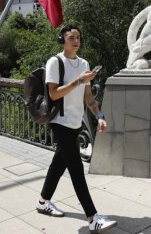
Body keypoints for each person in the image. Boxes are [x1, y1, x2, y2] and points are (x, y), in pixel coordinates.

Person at [36, 24, 117, 233]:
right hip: (60, 123)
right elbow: (53, 94)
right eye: (72, 37)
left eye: (78, 37)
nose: (76, 41)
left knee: (58, 164)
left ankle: (43, 202)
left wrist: (99, 116)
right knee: (76, 168)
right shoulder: (55, 62)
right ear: (62, 40)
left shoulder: (84, 63)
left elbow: (88, 96)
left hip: (75, 122)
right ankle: (93, 218)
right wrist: (77, 81)